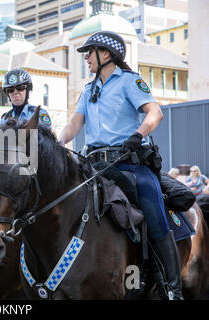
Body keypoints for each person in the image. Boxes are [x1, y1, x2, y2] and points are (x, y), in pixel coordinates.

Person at [58, 31, 183, 300]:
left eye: (89, 52)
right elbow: (75, 123)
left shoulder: (129, 81)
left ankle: (172, 288)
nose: (86, 58)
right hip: (93, 165)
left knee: (154, 211)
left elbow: (155, 112)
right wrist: (58, 142)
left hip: (129, 164)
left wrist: (137, 135)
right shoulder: (88, 89)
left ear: (106, 53)